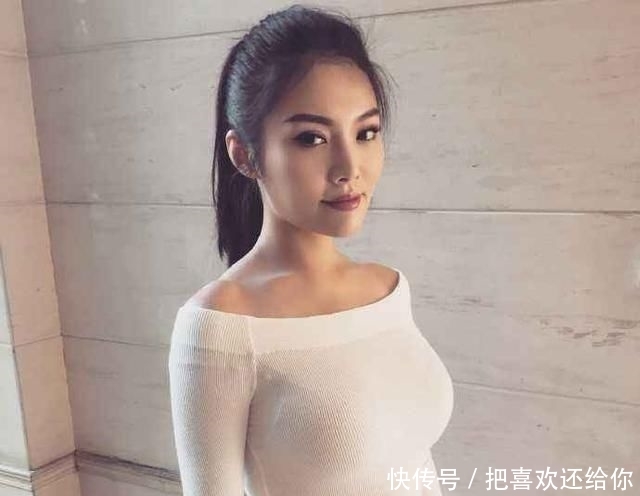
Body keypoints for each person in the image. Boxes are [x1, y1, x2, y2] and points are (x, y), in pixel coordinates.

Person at [167, 4, 454, 495]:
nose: (349, 167)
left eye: (365, 133)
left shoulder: (387, 289)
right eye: (311, 138)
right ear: (245, 155)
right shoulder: (222, 324)